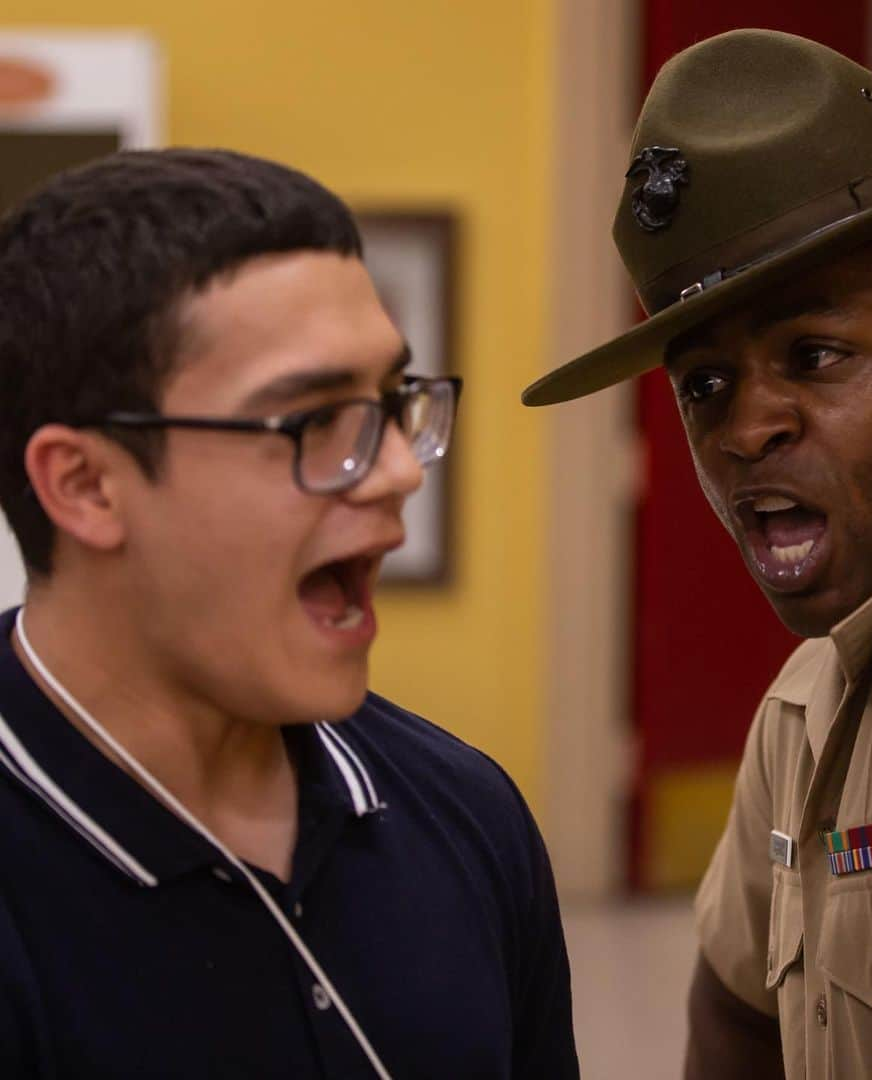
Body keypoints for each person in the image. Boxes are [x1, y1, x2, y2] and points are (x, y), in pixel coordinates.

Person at [522, 28, 872, 1080]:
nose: (745, 430)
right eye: (705, 386)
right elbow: (733, 1015)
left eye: (816, 356)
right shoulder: (813, 692)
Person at [0, 148, 578, 1079]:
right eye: (310, 421)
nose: (398, 470)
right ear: (87, 485)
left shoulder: (468, 811)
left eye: (391, 404)